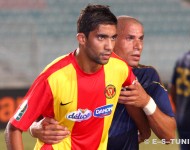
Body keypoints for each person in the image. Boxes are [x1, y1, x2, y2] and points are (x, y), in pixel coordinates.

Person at [4, 4, 144, 150]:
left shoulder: (120, 68)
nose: (109, 46)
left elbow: (136, 97)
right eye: (101, 37)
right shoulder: (53, 77)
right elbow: (13, 128)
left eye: (113, 38)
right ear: (82, 38)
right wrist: (34, 127)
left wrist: (144, 130)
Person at [29, 16, 176, 150]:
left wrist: (146, 102)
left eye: (141, 39)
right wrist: (35, 128)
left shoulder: (146, 76)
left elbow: (169, 136)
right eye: (130, 38)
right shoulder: (77, 72)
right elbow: (36, 118)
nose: (138, 46)